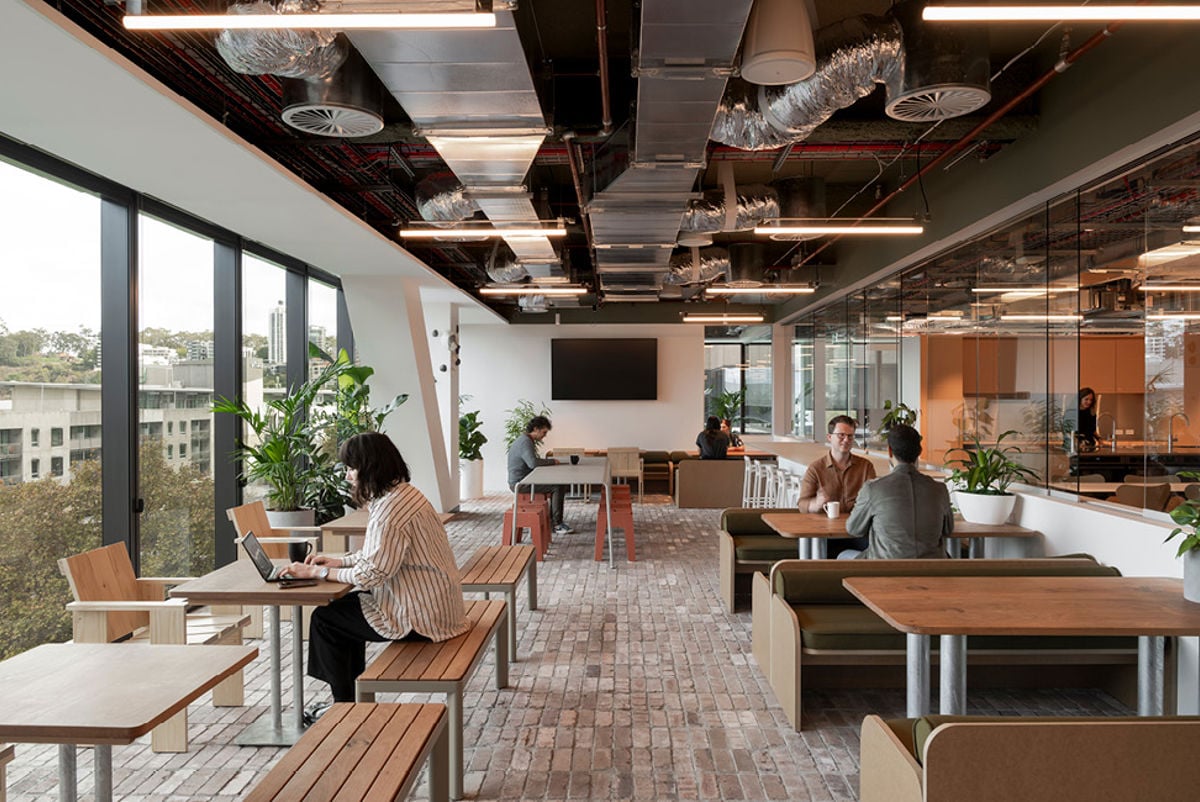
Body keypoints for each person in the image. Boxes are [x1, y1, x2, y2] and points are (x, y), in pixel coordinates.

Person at [285, 432, 468, 706]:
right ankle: (348, 699)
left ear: (370, 468)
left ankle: (344, 704)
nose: (348, 475)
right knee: (343, 611)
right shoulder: (405, 495)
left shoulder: (390, 510)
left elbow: (372, 573)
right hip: (439, 606)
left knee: (326, 620)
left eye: (351, 468)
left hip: (422, 619)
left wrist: (317, 573)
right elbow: (379, 556)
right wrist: (338, 562)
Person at [842, 424, 954, 559]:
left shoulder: (873, 489)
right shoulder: (939, 489)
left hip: (885, 570)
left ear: (890, 451)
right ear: (919, 451)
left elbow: (854, 529)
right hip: (932, 569)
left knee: (843, 555)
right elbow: (948, 529)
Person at [798, 415, 877, 555]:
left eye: (850, 436)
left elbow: (874, 502)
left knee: (876, 549)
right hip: (827, 535)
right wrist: (816, 504)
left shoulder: (866, 467)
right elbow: (802, 504)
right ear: (829, 437)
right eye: (841, 435)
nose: (846, 440)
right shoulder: (816, 469)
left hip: (857, 532)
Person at [507, 415, 572, 535]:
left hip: (525, 479)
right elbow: (533, 463)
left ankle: (554, 521)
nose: (544, 436)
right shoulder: (525, 442)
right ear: (536, 429)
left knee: (556, 484)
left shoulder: (524, 440)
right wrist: (552, 461)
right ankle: (557, 524)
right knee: (558, 486)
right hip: (521, 483)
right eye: (544, 432)